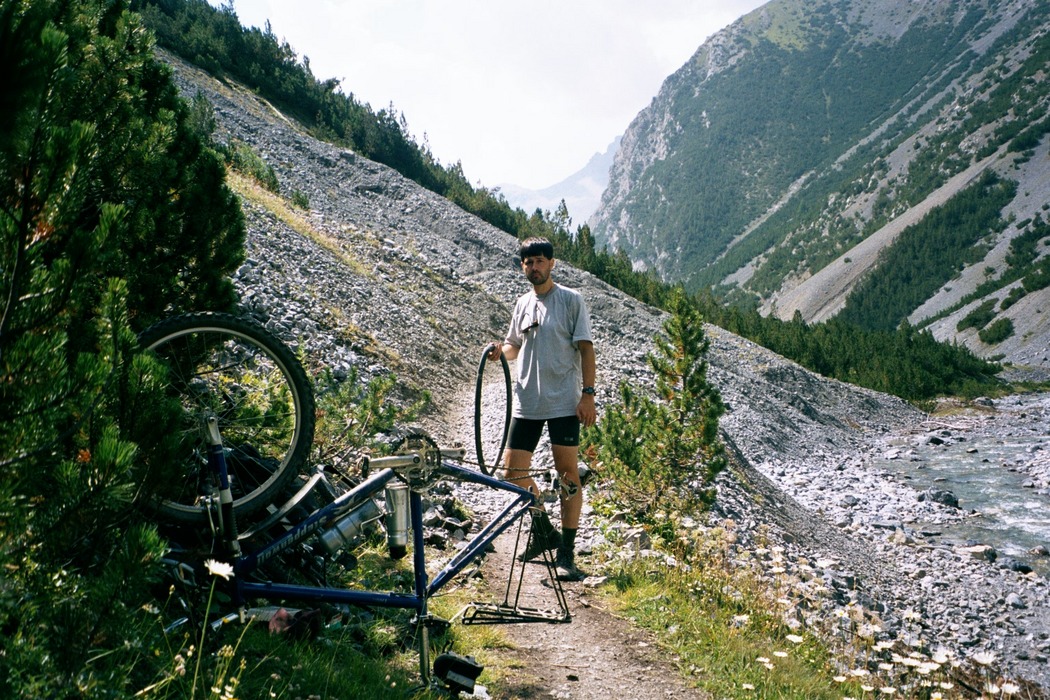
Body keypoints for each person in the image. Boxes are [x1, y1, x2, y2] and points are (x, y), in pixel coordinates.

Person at [486, 237, 596, 582]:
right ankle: (542, 527)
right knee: (513, 473)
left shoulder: (570, 300)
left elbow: (586, 349)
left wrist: (588, 395)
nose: (533, 267)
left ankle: (566, 552)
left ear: (552, 263)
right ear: (523, 267)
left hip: (564, 401)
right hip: (528, 401)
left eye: (539, 261)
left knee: (568, 475)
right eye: (528, 263)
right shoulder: (522, 304)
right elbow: (514, 347)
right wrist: (497, 352)